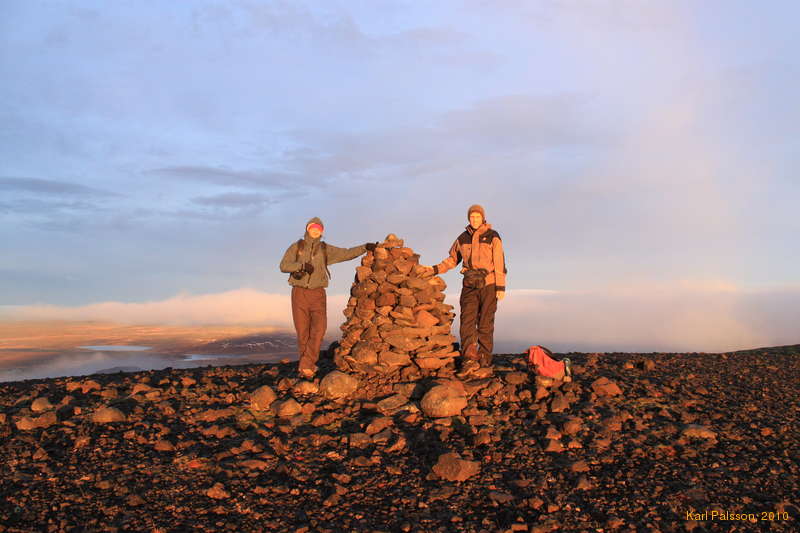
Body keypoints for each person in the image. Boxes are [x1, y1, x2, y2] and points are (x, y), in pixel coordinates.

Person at [280, 217, 376, 378]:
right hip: (299, 292)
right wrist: (301, 266)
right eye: (313, 227)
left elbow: (346, 253)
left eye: (319, 228)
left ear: (322, 231)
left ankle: (305, 363)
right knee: (303, 331)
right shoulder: (296, 247)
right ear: (308, 229)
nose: (316, 230)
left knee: (319, 328)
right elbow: (283, 266)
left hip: (318, 293)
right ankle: (307, 367)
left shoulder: (325, 249)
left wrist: (364, 247)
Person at [423, 204, 506, 368]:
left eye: (477, 216)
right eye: (472, 217)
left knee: (485, 323)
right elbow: (452, 259)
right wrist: (434, 269)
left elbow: (500, 262)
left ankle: (484, 358)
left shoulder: (493, 236)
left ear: (483, 218)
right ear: (468, 218)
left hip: (489, 284)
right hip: (469, 284)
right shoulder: (462, 238)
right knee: (467, 320)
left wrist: (500, 287)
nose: (474, 219)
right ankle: (469, 357)